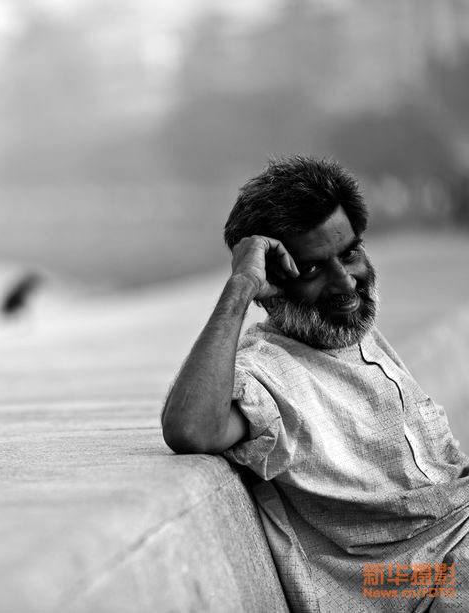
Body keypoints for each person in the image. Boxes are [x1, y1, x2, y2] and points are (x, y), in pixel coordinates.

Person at [161, 156, 469, 612]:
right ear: (274, 282)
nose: (345, 282)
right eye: (312, 269)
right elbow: (191, 428)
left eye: (349, 253)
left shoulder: (352, 333)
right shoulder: (267, 373)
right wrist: (240, 288)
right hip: (417, 584)